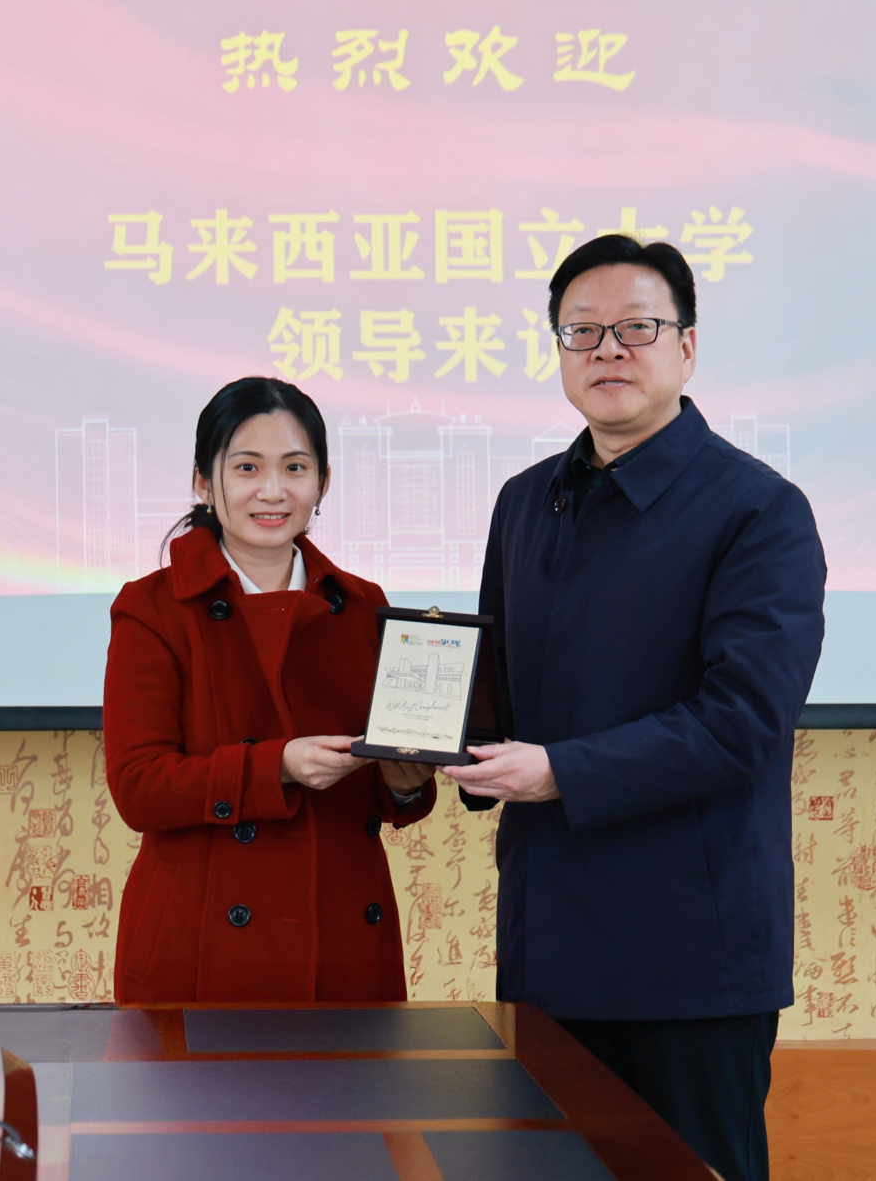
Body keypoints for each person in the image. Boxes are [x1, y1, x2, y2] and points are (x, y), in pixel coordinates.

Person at [442, 235, 826, 1181]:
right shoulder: (525, 501)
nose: (607, 350)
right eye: (582, 331)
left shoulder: (759, 510)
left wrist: (559, 771)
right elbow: (497, 688)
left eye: (636, 329)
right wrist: (428, 745)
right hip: (550, 944)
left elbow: (743, 722)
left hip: (689, 960)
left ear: (687, 347)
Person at [103, 376, 436, 1003]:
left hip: (344, 937)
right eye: (247, 467)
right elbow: (139, 788)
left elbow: (392, 795)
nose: (274, 490)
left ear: (323, 482)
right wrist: (276, 766)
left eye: (295, 467)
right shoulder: (151, 608)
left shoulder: (363, 604)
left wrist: (403, 782)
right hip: (203, 946)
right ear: (204, 482)